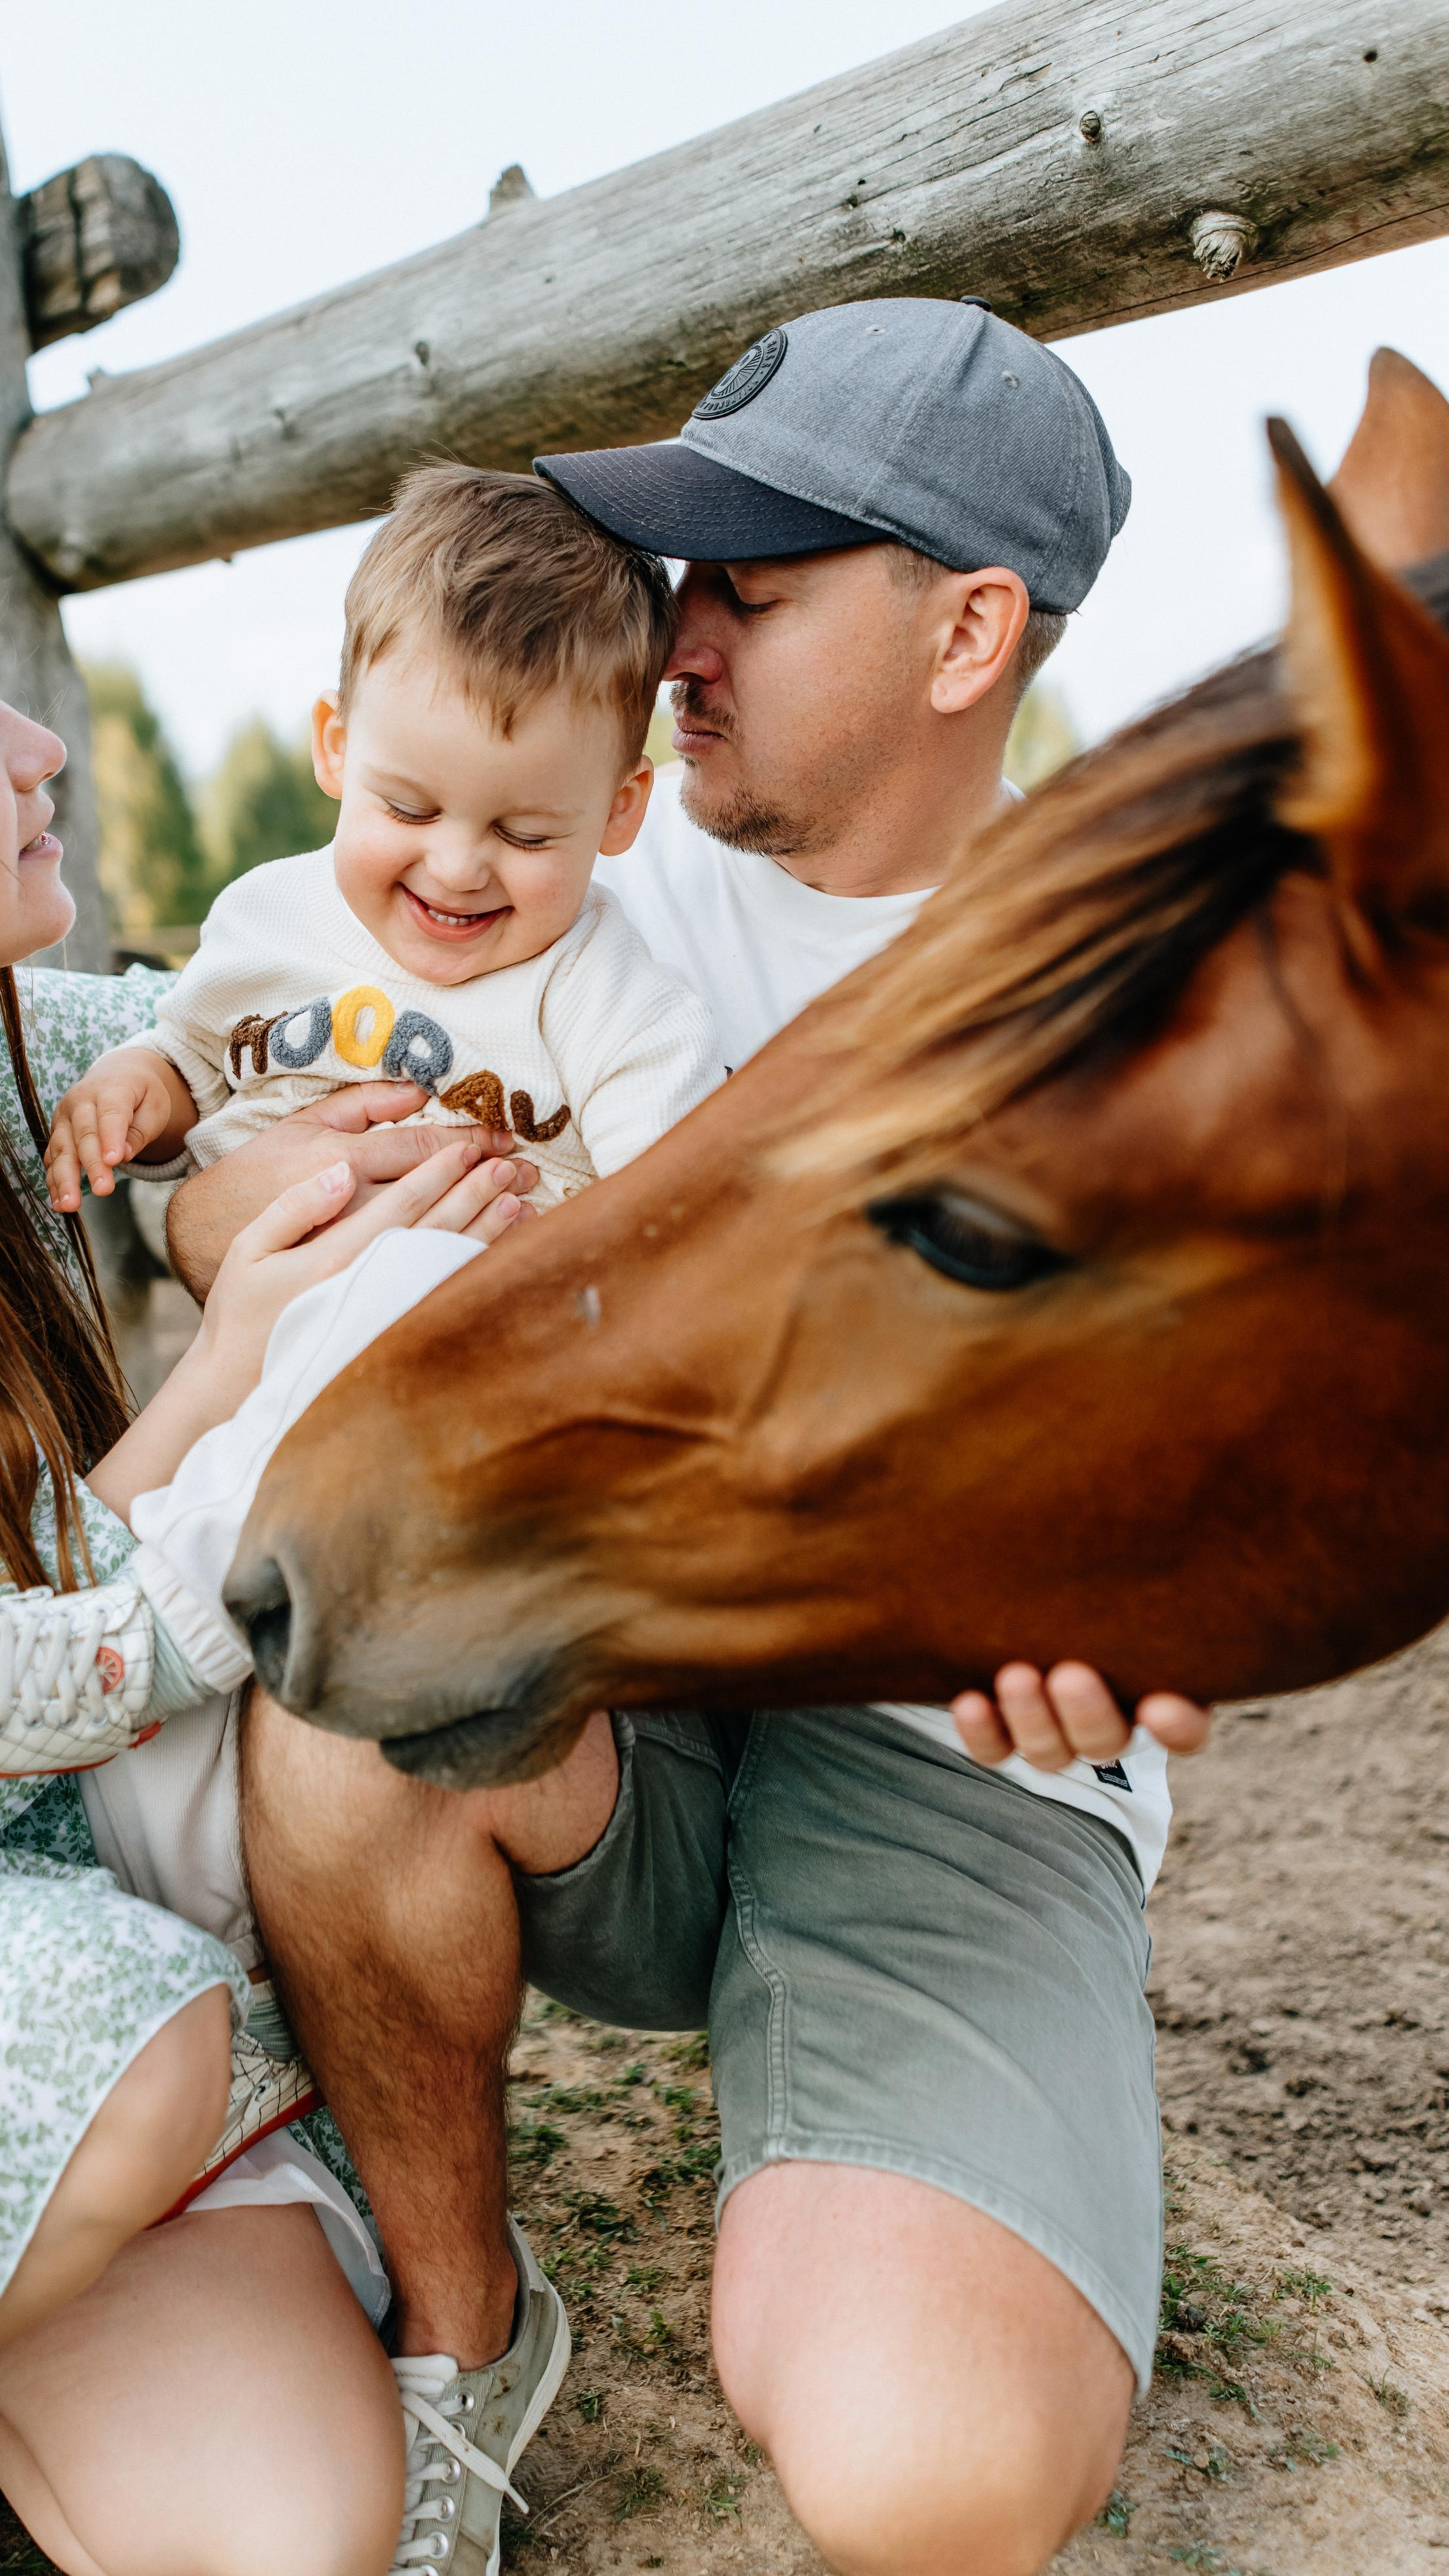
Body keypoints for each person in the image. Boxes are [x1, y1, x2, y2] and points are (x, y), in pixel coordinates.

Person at [156, 297, 1211, 2576]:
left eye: (751, 581)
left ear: (969, 631)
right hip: (606, 1678)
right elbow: (237, 1111)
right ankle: (465, 2331)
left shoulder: (1141, 1009)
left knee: (929, 2478)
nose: (680, 633)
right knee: (359, 1677)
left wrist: (1126, 1611)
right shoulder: (555, 850)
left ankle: (888, 2151)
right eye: (681, 570)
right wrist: (283, 1185)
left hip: (943, 1754)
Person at [0, 495, 529, 2576]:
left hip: (41, 1900)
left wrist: (315, 1119)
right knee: (134, 2056)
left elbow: (253, 1034)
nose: (38, 753)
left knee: (301, 2527)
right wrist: (219, 1376)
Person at [41, 465, 719, 1222]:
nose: (457, 869)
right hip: (272, 1328)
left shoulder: (606, 1001)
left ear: (617, 812)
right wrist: (136, 1091)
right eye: (407, 809)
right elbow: (194, 1064)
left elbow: (667, 1219)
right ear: (336, 748)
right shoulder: (265, 919)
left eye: (523, 834)